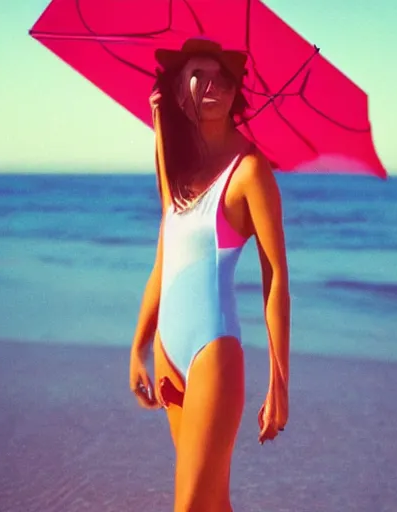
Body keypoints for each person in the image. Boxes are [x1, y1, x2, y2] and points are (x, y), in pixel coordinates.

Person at [129, 37, 290, 512]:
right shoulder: (177, 167)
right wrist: (138, 344)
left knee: (189, 505)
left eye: (223, 78)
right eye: (199, 76)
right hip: (167, 354)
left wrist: (279, 382)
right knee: (211, 503)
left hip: (212, 353)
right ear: (179, 90)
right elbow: (166, 259)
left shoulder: (250, 171)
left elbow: (276, 277)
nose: (214, 85)